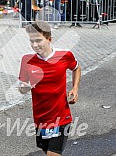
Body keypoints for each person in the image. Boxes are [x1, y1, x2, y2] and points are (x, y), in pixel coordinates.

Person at [18, 20, 81, 156]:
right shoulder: (27, 60)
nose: (34, 45)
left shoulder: (65, 56)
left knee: (53, 154)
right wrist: (25, 87)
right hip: (40, 119)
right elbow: (22, 86)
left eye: (38, 40)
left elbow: (76, 68)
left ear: (49, 39)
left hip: (61, 117)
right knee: (46, 151)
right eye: (31, 41)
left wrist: (75, 89)